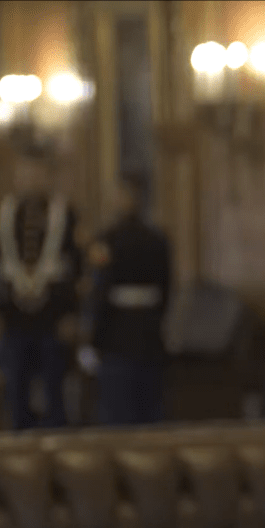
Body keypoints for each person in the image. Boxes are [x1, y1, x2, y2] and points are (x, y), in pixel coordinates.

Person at [0, 143, 83, 430]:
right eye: (24, 173)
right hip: (14, 317)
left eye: (35, 173)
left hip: (52, 316)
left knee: (54, 387)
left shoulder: (63, 214)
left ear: (46, 176)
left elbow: (74, 267)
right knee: (16, 387)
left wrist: (70, 313)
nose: (29, 179)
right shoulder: (2, 213)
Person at [81, 172, 172, 425]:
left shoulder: (107, 241)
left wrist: (94, 339)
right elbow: (165, 292)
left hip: (117, 337)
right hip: (149, 335)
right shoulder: (158, 239)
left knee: (117, 419)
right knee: (149, 417)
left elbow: (100, 291)